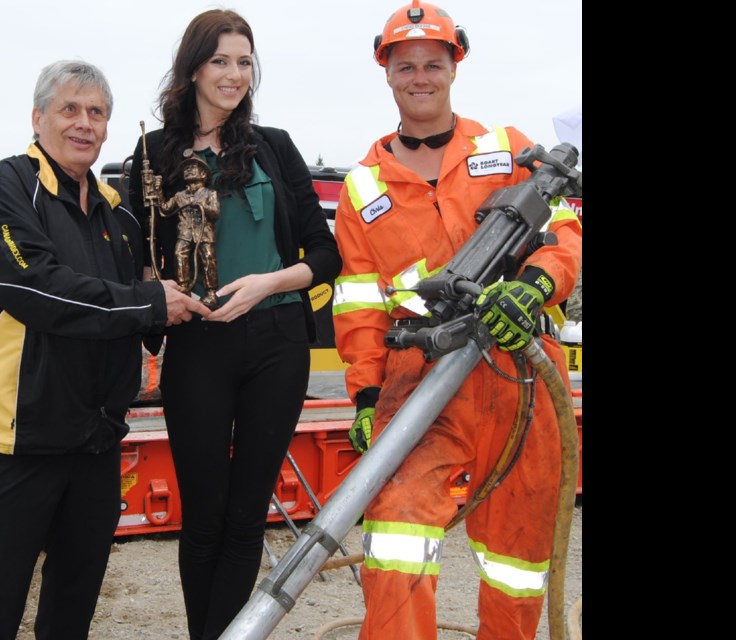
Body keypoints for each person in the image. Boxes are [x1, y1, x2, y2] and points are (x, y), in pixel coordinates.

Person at [0, 59, 212, 640]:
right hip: (16, 443)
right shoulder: (5, 188)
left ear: (108, 126)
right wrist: (150, 303)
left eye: (96, 112)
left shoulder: (119, 212)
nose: (84, 123)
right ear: (38, 118)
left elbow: (138, 306)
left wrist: (188, 301)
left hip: (95, 444)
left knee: (73, 608)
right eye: (70, 109)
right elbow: (32, 288)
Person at [331, 3, 582, 640]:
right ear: (386, 73)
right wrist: (364, 395)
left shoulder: (506, 149)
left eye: (432, 64)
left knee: (518, 567)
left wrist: (533, 287)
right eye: (406, 65)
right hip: (422, 389)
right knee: (396, 538)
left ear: (454, 66)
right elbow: (360, 305)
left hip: (521, 377)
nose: (420, 77)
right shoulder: (362, 188)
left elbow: (564, 234)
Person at [127, 10, 342, 639]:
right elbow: (137, 255)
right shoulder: (153, 153)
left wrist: (270, 284)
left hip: (276, 341)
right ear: (193, 67)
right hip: (197, 343)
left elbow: (324, 253)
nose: (234, 73)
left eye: (244, 61)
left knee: (248, 515)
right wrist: (157, 291)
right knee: (205, 514)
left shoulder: (274, 145)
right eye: (220, 60)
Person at [156, 149, 222, 308]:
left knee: (208, 259)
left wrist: (202, 207)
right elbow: (165, 209)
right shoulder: (180, 196)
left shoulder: (209, 193)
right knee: (180, 255)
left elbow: (215, 212)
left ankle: (211, 293)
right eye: (186, 169)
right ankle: (183, 290)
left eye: (192, 168)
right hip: (185, 233)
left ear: (204, 174)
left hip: (204, 234)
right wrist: (157, 191)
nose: (188, 171)